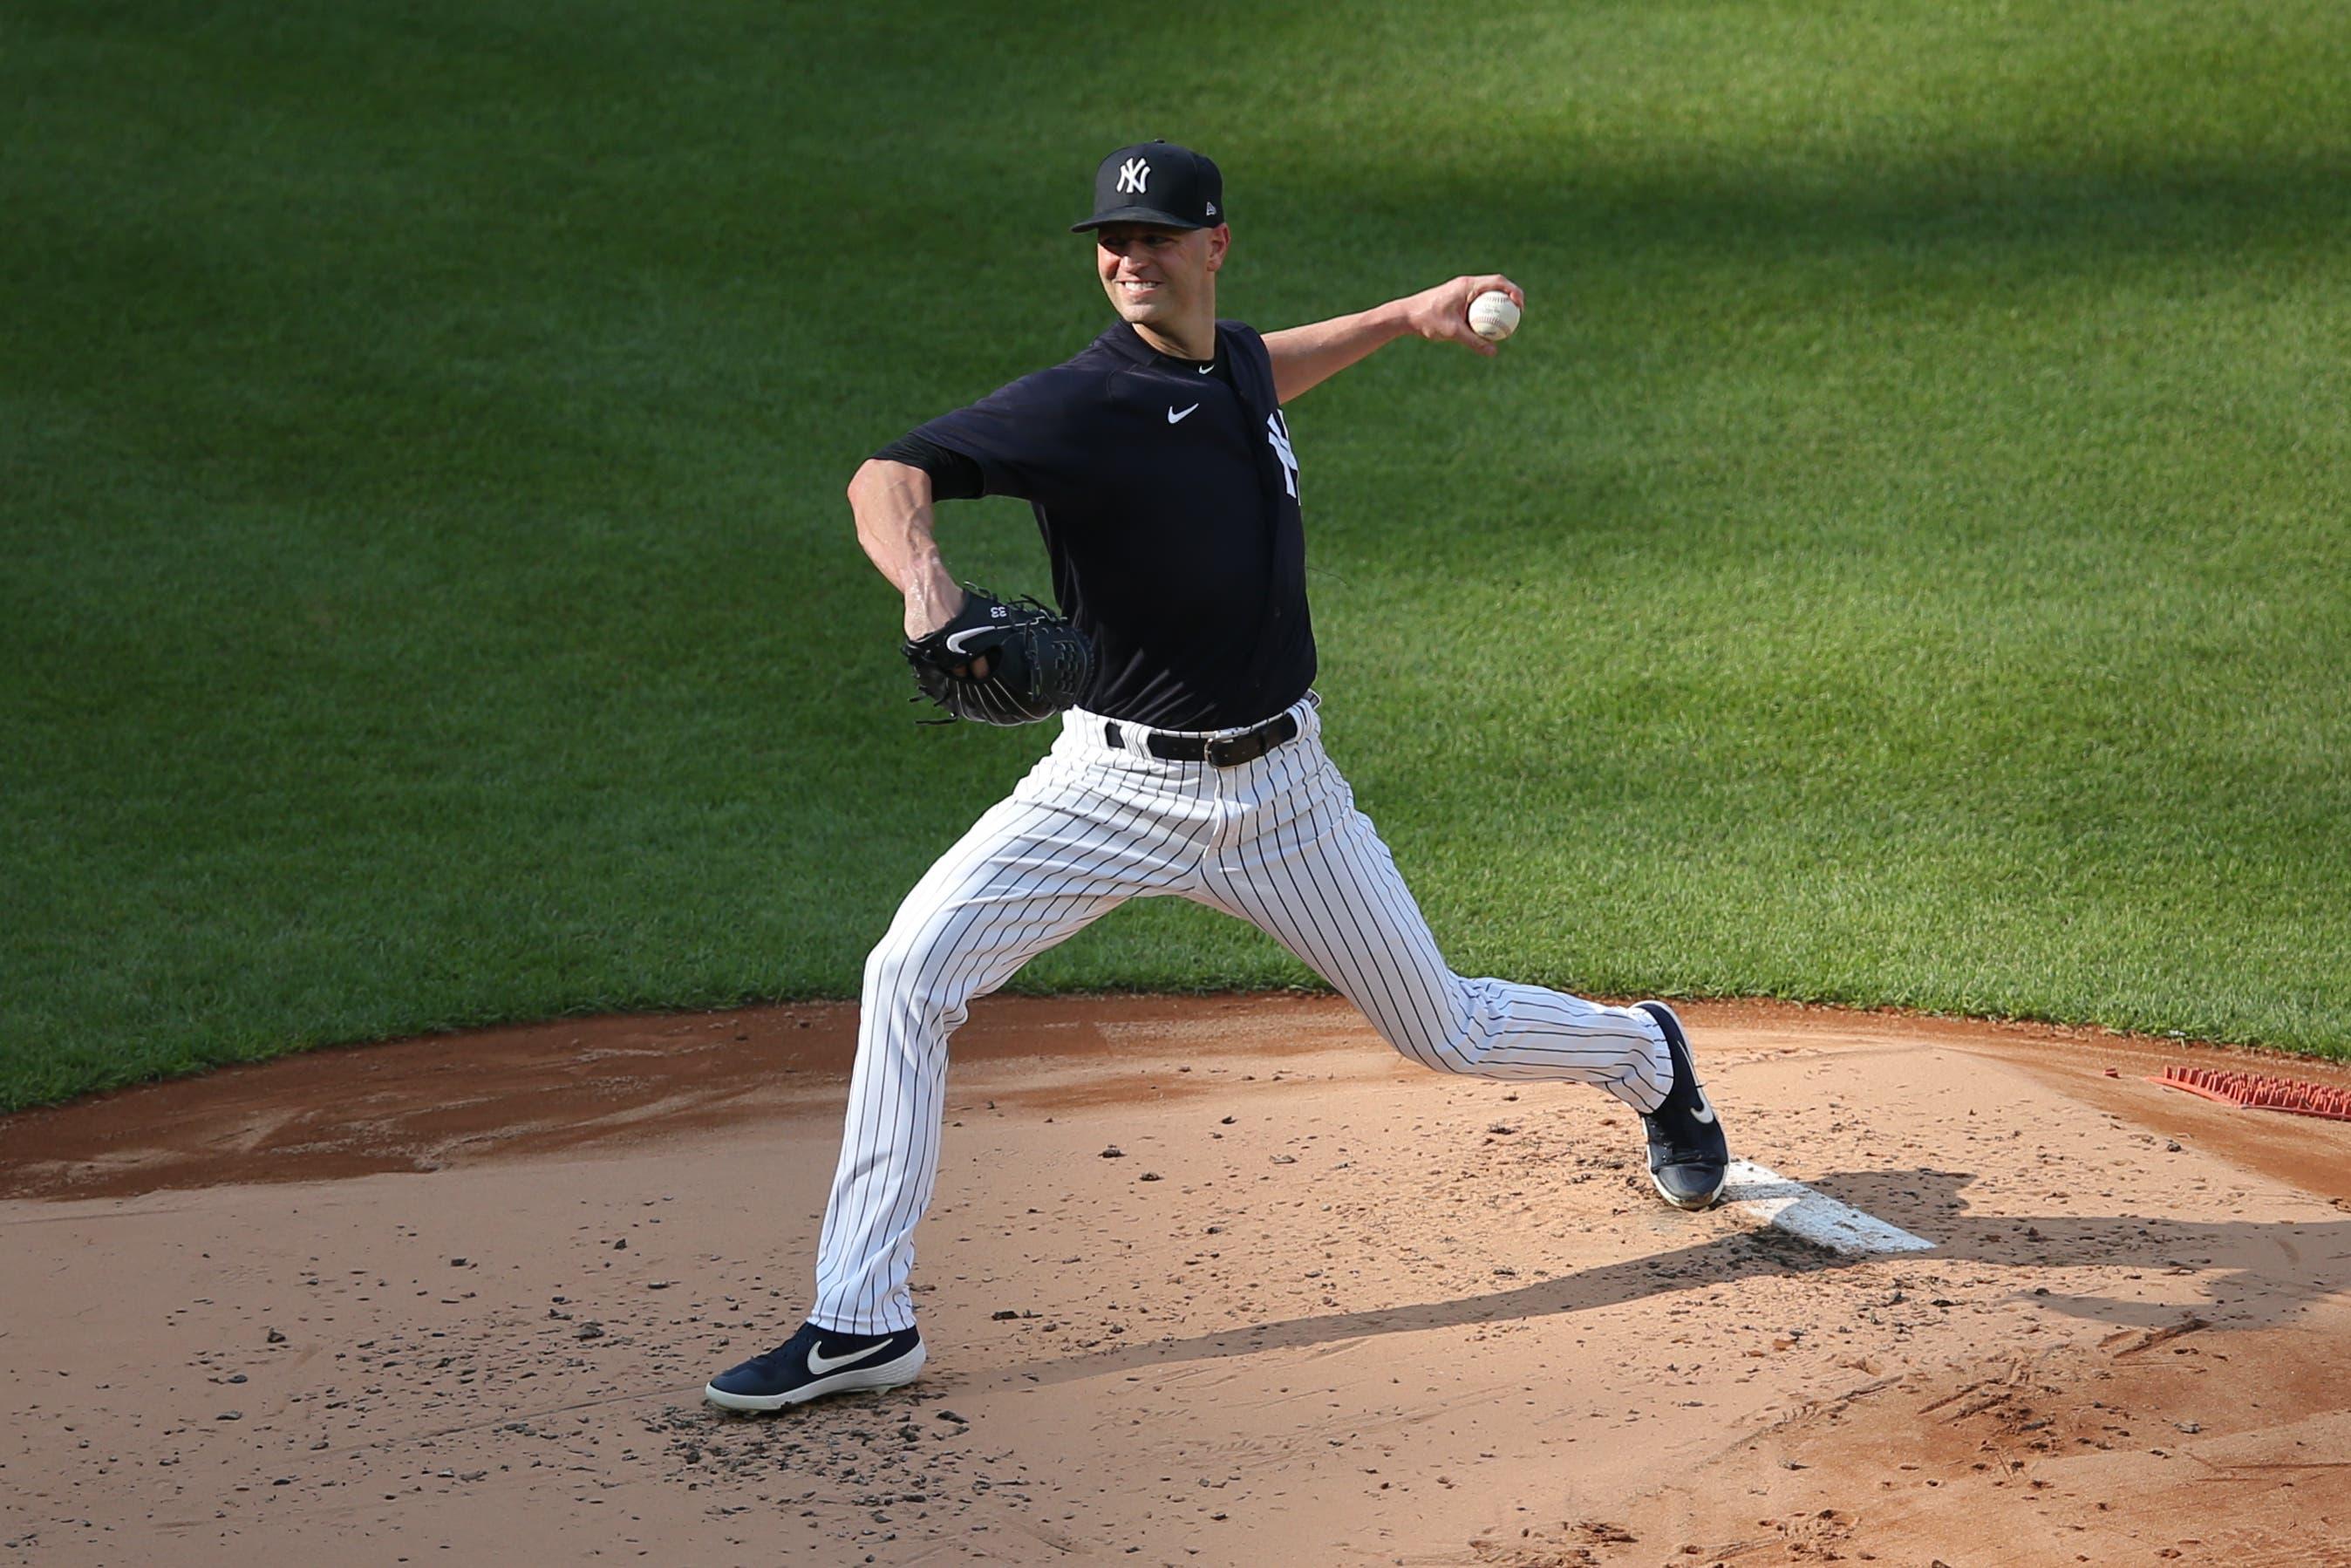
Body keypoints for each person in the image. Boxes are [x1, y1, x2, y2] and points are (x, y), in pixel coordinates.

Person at [704, 141, 1731, 1413]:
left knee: (1445, 1027)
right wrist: (928, 592)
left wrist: (1404, 318)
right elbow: (886, 476)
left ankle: (1645, 1055)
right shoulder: (1081, 404)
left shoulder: (1230, 362)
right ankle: (860, 1317)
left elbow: (1262, 366)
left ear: (1213, 246)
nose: (1126, 258)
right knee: (909, 971)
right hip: (1109, 790)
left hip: (1284, 798)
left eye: (1151, 236)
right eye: (1109, 240)